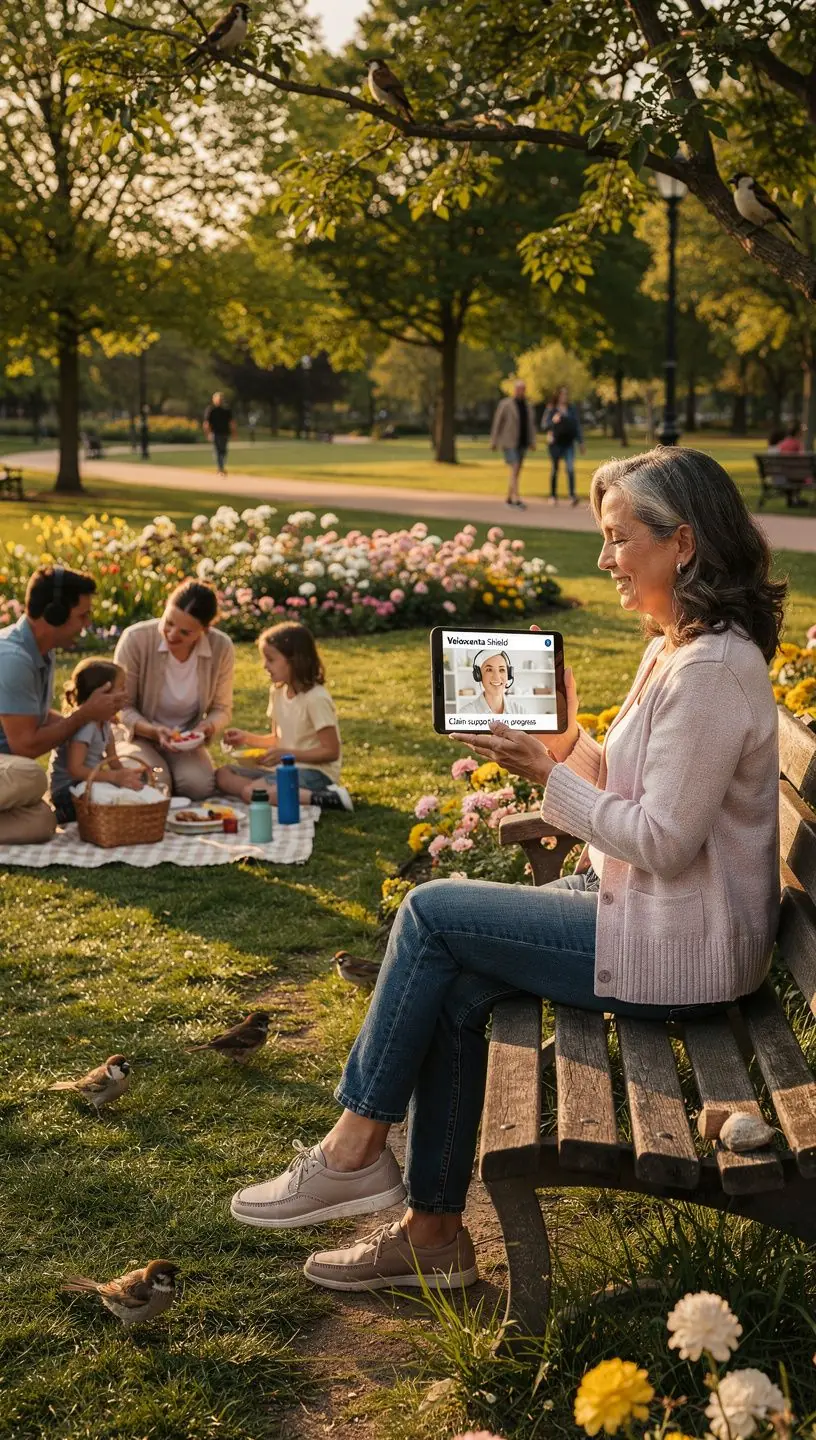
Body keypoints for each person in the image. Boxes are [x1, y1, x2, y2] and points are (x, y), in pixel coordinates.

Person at [229, 446, 784, 1294]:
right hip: (643, 908)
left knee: (430, 914)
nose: (604, 559)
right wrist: (563, 740)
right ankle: (433, 1236)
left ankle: (354, 1147)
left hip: (680, 946)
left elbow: (666, 841)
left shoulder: (710, 669)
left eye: (617, 537)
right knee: (449, 980)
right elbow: (636, 792)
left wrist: (543, 777)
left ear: (683, 543)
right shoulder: (679, 646)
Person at [0, 568, 126, 844]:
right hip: (14, 767)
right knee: (31, 776)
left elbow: (39, 718)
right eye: (82, 615)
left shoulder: (41, 652)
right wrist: (84, 715)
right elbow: (25, 745)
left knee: (43, 822)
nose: (87, 624)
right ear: (54, 614)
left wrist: (92, 721)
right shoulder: (14, 659)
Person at [113, 581, 234, 800]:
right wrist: (152, 731)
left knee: (198, 788)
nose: (171, 634)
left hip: (185, 741)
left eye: (185, 632)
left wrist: (206, 728)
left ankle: (174, 778)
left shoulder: (221, 647)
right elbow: (121, 707)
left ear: (204, 630)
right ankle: (159, 775)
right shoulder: (136, 639)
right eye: (168, 623)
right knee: (154, 782)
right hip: (139, 736)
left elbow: (222, 709)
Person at [217, 622, 353, 812]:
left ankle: (326, 797)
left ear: (294, 660)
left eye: (270, 659)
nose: (265, 665)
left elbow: (331, 752)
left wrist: (287, 755)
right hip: (284, 768)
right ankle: (272, 790)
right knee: (223, 775)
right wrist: (246, 738)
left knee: (253, 792)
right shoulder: (277, 691)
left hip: (316, 773)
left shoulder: (316, 698)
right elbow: (277, 739)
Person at [48, 659, 144, 824]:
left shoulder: (105, 722)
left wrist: (127, 775)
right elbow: (75, 769)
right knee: (110, 803)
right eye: (121, 688)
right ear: (102, 694)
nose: (126, 694)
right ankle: (59, 815)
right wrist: (113, 777)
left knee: (128, 794)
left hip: (87, 782)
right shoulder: (87, 726)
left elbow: (113, 762)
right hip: (68, 790)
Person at [489, 380, 537, 509]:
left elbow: (530, 426)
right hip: (509, 442)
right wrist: (494, 441)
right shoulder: (506, 404)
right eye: (518, 389)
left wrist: (532, 441)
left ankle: (509, 498)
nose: (520, 391)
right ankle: (517, 499)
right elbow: (497, 423)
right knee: (515, 467)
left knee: (516, 472)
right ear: (514, 390)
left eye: (523, 389)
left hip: (522, 442)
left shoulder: (527, 406)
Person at [541, 385, 585, 506]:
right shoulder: (551, 409)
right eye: (562, 394)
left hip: (568, 443)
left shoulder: (571, 409)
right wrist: (553, 421)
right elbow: (544, 426)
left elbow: (577, 426)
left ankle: (572, 496)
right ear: (558, 395)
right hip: (555, 444)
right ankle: (553, 496)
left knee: (570, 469)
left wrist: (581, 442)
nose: (564, 397)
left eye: (566, 394)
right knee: (555, 469)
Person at [459, 650, 526, 717]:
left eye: (502, 670)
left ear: (508, 675)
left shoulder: (521, 712)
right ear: (478, 675)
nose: (496, 677)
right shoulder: (465, 714)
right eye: (489, 670)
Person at [203, 392, 236, 477]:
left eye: (221, 399)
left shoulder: (227, 410)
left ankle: (221, 467)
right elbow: (207, 423)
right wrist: (208, 433)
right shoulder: (211, 410)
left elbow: (231, 422)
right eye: (218, 399)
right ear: (214, 400)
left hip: (225, 433)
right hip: (215, 433)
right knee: (217, 451)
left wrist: (234, 433)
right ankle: (220, 469)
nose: (220, 401)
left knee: (224, 451)